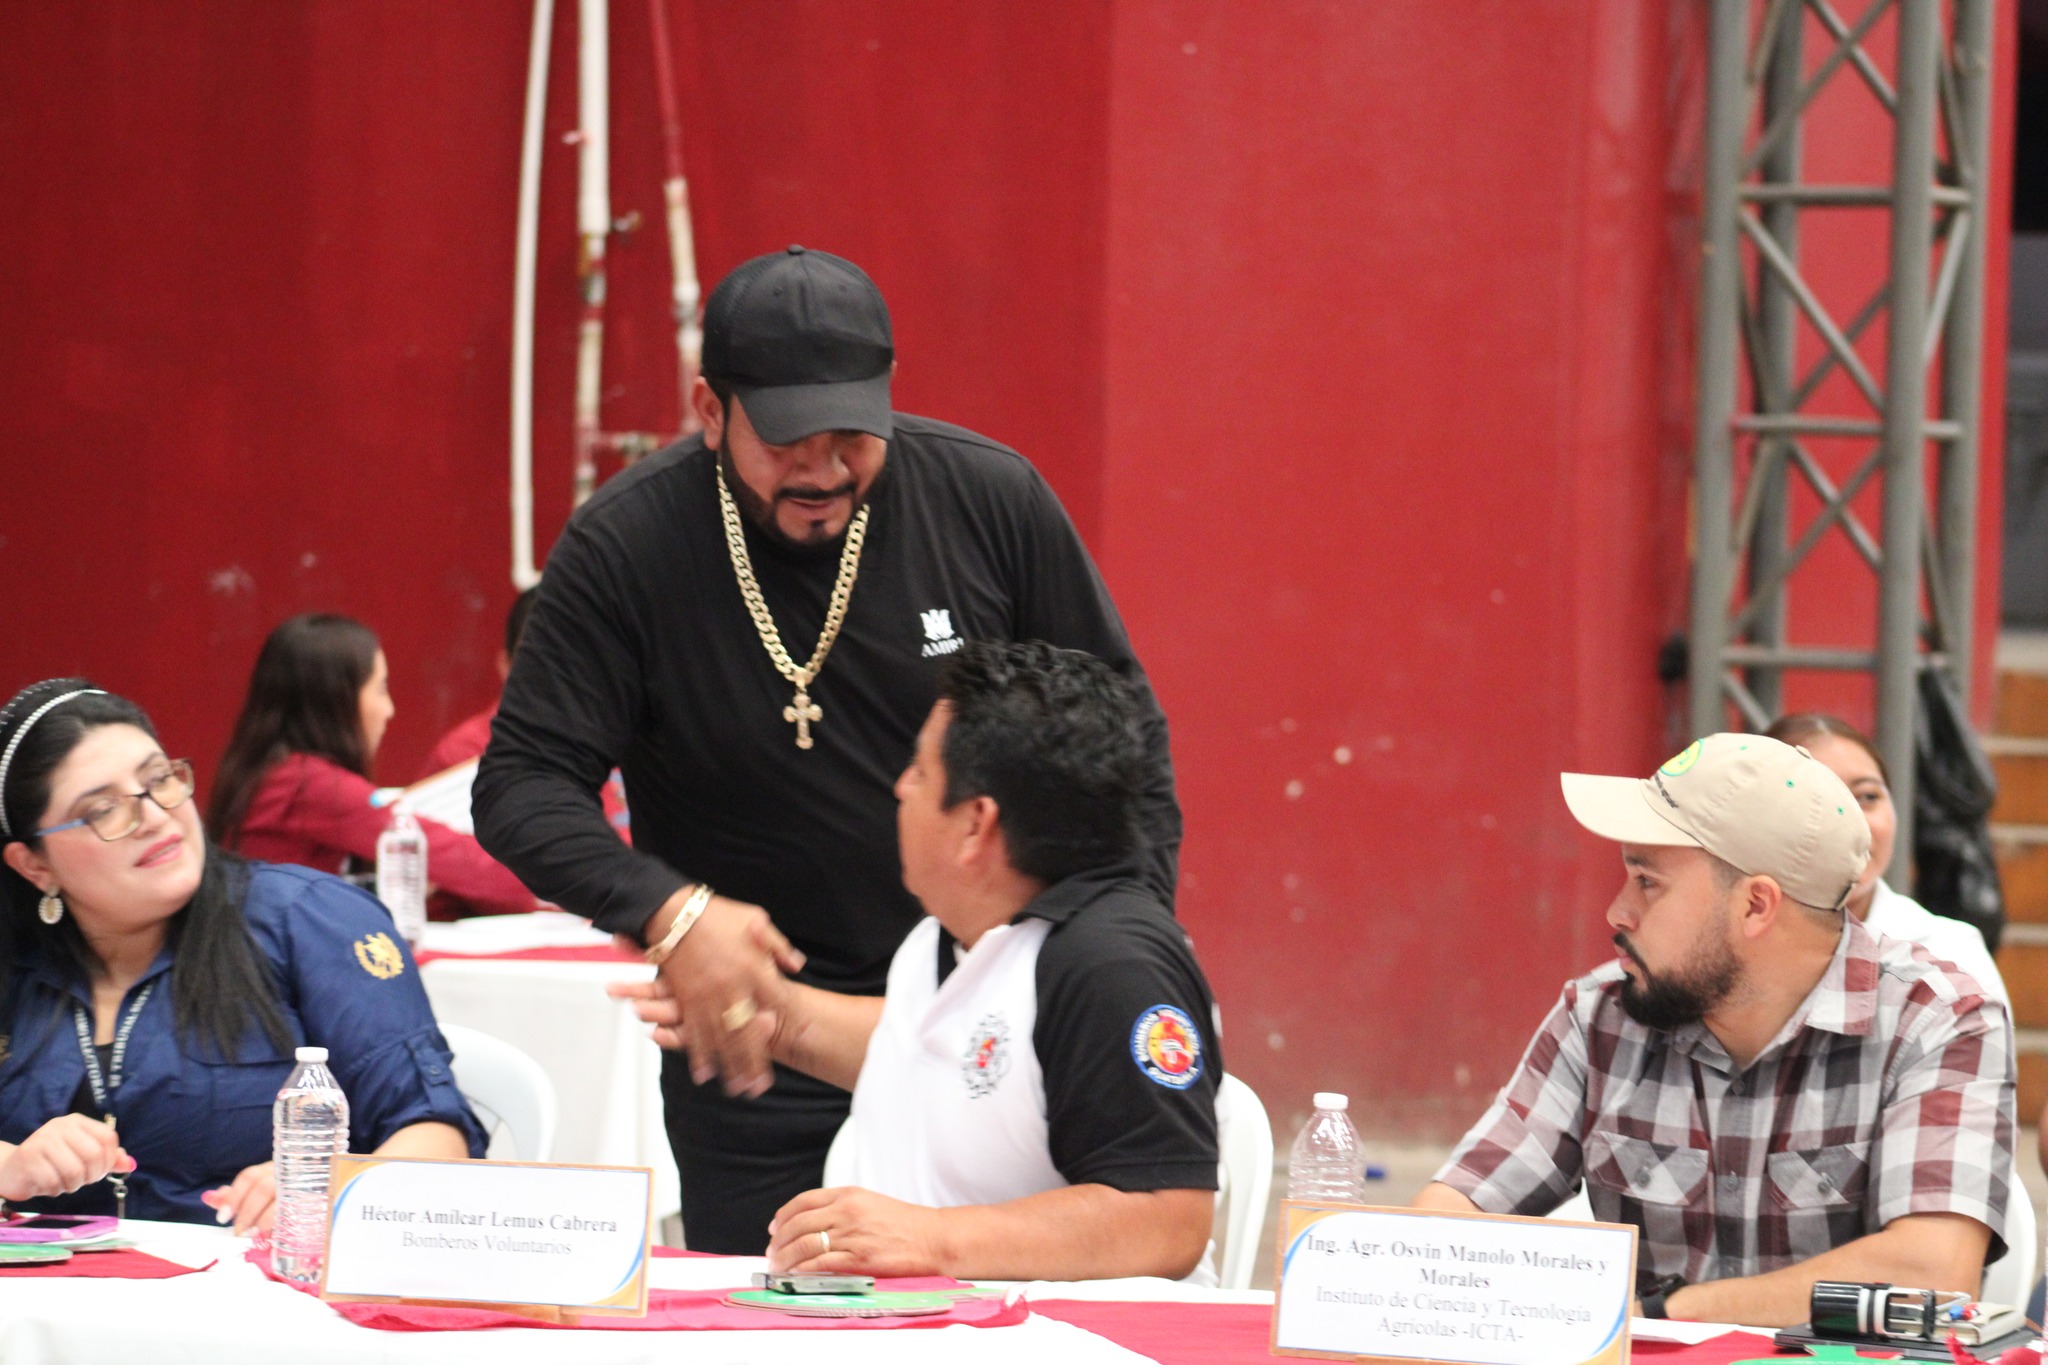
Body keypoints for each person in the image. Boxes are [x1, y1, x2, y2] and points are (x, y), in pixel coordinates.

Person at [475, 245, 1181, 1253]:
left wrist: (1119, 959)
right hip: (756, 1040)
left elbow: (1121, 741)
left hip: (992, 1031)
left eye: (852, 434)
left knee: (1002, 1300)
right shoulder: (625, 546)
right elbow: (521, 784)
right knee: (768, 1308)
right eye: (787, 439)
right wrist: (670, 911)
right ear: (710, 410)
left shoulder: (987, 499)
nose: (823, 469)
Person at [617, 642, 1218, 1281]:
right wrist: (778, 1018)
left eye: (921, 771)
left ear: (976, 825)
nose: (900, 787)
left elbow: (1167, 1220)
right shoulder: (948, 935)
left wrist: (931, 1238)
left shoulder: (1113, 968)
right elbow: (965, 1063)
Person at [1415, 733, 2014, 1328]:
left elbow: (1933, 1272)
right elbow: (1448, 1219)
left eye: (1647, 882)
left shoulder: (1937, 1019)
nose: (1618, 911)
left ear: (1756, 906)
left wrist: (1663, 1312)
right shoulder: (1603, 1014)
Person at [0, 680, 486, 1228]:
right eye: (104, 810)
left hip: (261, 1271)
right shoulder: (15, 963)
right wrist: (10, 1166)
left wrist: (333, 1188)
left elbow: (438, 1135)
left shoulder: (310, 920)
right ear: (34, 865)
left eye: (159, 780)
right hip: (50, 1281)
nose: (155, 815)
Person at [211, 613, 539, 918]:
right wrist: (548, 872)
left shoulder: (274, 772)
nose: (390, 709)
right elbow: (464, 861)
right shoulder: (311, 785)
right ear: (338, 699)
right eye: (381, 689)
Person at [1764, 713, 2006, 1002]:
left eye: (1868, 797)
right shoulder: (1728, 948)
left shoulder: (1949, 955)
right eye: (1816, 800)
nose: (1850, 822)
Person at [419, 587, 630, 841]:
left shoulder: (623, 741)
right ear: (505, 666)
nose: (560, 677)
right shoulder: (462, 756)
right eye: (542, 660)